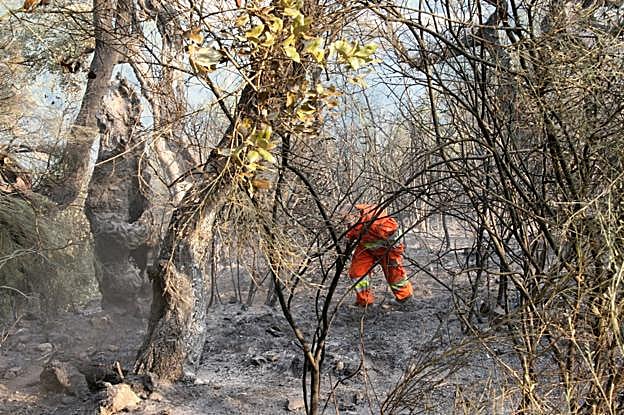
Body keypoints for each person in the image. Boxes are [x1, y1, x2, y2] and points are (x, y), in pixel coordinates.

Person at [345, 203, 413, 307]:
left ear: (354, 214)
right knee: (357, 273)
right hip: (366, 247)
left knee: (394, 274)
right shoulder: (351, 221)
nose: (347, 223)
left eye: (347, 219)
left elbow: (395, 235)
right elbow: (350, 234)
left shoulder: (376, 220)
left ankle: (405, 298)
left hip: (387, 249)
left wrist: (396, 253)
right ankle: (365, 302)